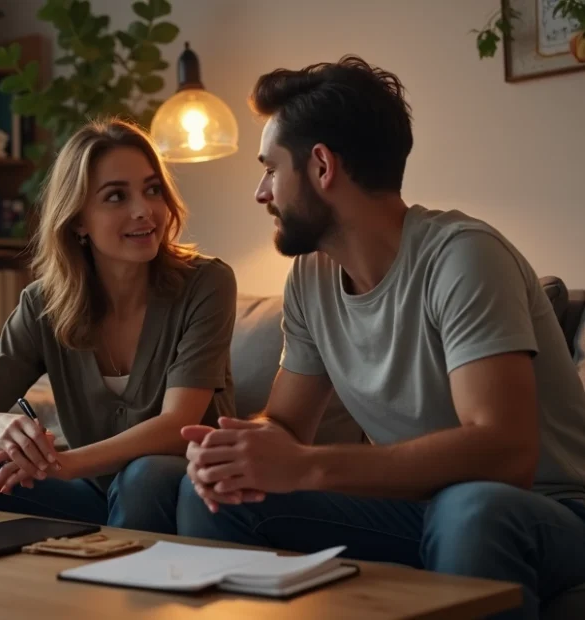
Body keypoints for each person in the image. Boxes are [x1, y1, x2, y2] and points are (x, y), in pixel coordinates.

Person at [176, 55, 585, 618]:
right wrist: (242, 451)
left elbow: (505, 454)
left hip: (543, 512)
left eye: (270, 169)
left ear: (322, 166)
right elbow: (288, 424)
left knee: (472, 510)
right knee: (213, 502)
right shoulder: (312, 277)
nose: (260, 192)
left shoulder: (463, 256)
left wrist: (308, 465)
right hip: (416, 510)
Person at [0, 118, 237, 535]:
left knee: (143, 476)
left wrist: (65, 464)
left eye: (152, 189)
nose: (144, 210)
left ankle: (113, 591)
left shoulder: (207, 283)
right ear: (77, 220)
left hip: (180, 489)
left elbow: (177, 427)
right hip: (91, 493)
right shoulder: (43, 303)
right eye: (116, 196)